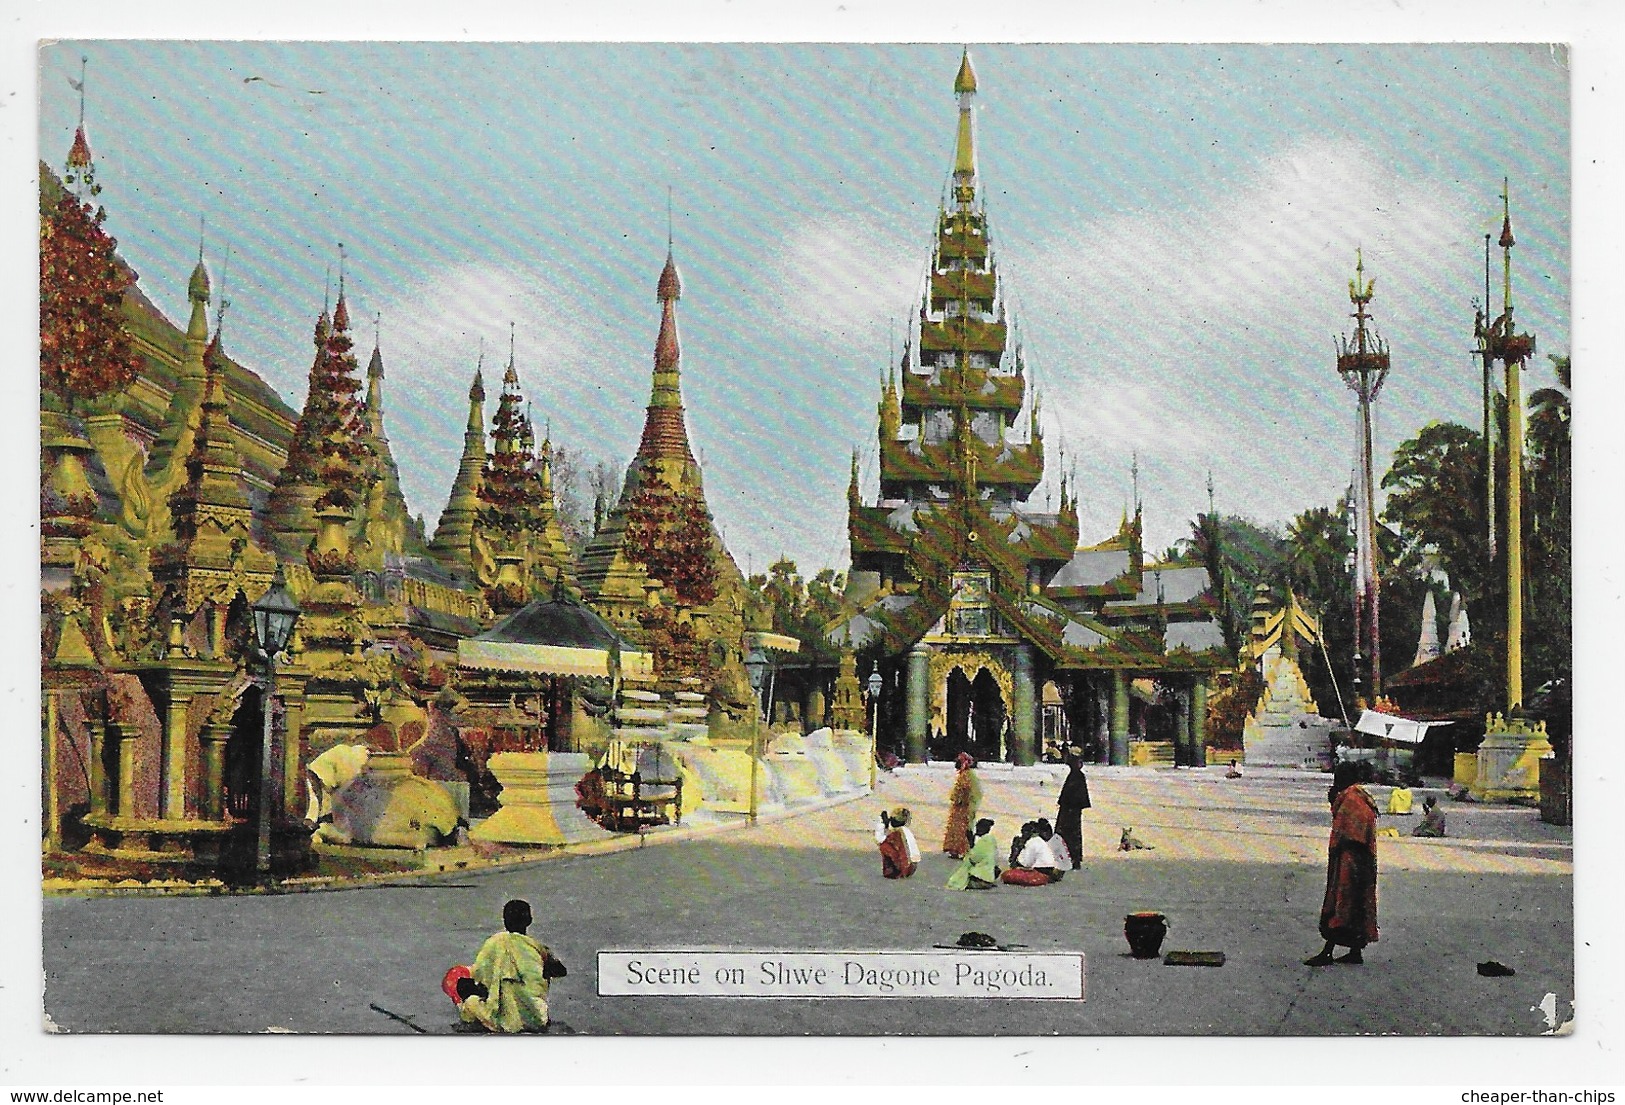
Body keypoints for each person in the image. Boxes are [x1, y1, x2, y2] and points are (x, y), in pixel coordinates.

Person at [1305, 762, 1380, 966]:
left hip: (1350, 860)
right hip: (1360, 860)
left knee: (1341, 904)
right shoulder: (1356, 795)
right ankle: (1355, 951)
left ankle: (1327, 952)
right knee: (1356, 904)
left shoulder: (1352, 799)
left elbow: (1350, 829)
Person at [468, 899, 567, 1032]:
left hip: (502, 1021)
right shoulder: (536, 947)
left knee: (470, 999)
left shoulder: (494, 942)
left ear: (504, 920)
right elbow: (561, 971)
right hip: (536, 1018)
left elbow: (478, 974)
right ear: (529, 920)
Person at [1055, 747, 1091, 870]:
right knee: (1071, 834)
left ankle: (1071, 859)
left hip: (1070, 811)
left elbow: (1074, 797)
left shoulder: (1077, 776)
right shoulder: (1075, 775)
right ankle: (1072, 859)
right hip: (1071, 810)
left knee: (1068, 834)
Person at [942, 752, 982, 858]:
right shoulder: (966, 774)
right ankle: (955, 850)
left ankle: (964, 851)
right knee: (957, 829)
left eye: (958, 762)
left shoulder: (966, 776)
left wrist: (957, 799)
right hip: (961, 808)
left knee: (962, 829)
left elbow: (964, 791)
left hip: (963, 808)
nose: (956, 764)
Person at [1003, 820, 1063, 885]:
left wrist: (1016, 857)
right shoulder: (1040, 840)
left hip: (1040, 874)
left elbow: (1026, 864)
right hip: (1048, 871)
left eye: (1024, 832)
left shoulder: (1032, 842)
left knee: (1008, 875)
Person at [946, 818, 999, 890]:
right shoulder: (991, 840)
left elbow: (973, 859)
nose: (976, 830)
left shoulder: (984, 841)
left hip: (980, 878)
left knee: (959, 879)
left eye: (978, 828)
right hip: (990, 875)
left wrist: (971, 844)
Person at [875, 807, 920, 878]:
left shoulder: (896, 833)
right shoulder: (906, 831)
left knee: (884, 846)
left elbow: (879, 840)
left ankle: (893, 872)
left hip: (904, 868)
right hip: (912, 867)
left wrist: (882, 825)